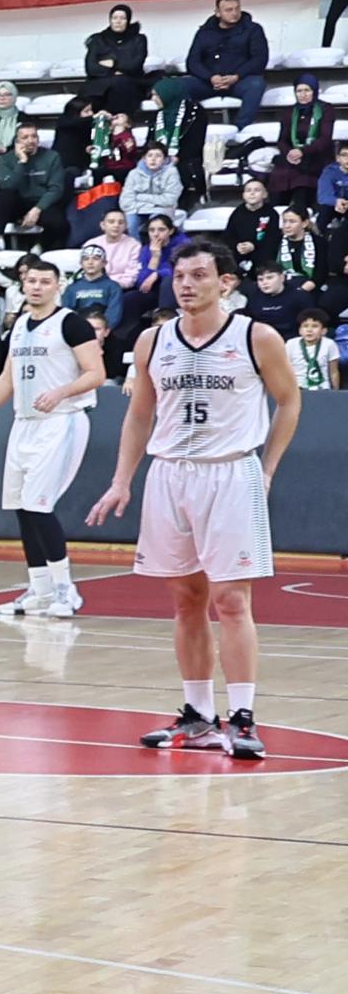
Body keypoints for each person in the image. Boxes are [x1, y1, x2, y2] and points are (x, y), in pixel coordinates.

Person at [95, 238, 297, 761]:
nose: (186, 285)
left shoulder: (258, 337)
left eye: (198, 276)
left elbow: (289, 400)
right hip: (169, 476)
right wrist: (122, 480)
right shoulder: (152, 341)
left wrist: (267, 467)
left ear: (225, 282)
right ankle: (198, 715)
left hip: (230, 473)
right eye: (179, 276)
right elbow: (140, 414)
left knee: (231, 600)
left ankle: (244, 716)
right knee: (185, 600)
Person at [0, 252, 107, 624]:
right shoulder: (20, 325)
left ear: (59, 286)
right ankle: (39, 590)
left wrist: (61, 392)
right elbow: (7, 380)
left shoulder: (71, 324)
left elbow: (96, 373)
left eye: (45, 282)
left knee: (39, 505)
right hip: (24, 423)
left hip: (62, 420)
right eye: (32, 282)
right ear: (23, 285)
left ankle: (65, 588)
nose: (37, 287)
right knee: (22, 509)